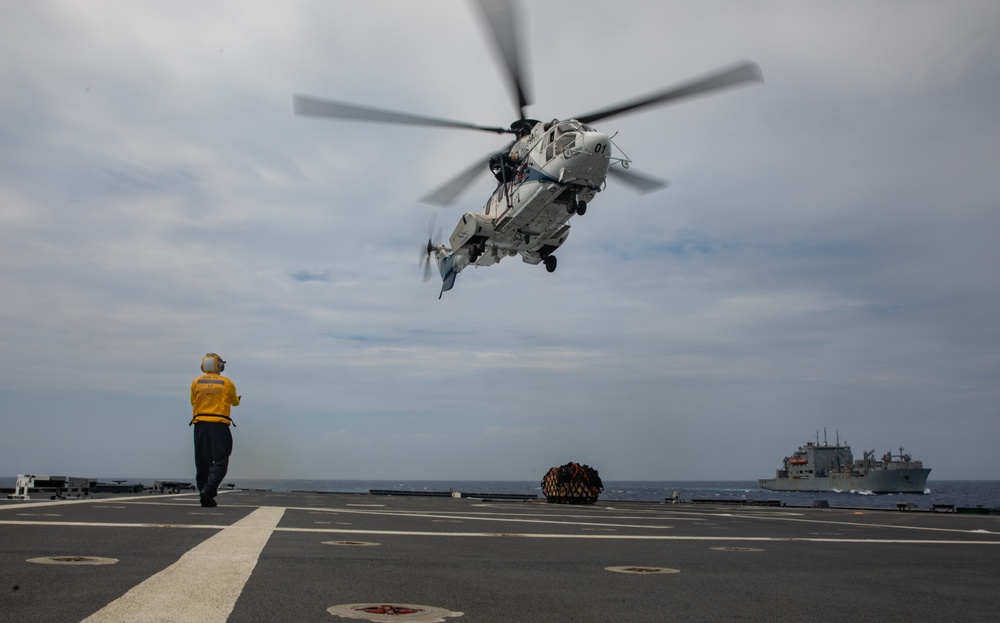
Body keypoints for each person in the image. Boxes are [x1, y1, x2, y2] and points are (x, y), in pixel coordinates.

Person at [190, 353, 241, 507]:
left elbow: (193, 401)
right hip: (219, 426)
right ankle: (209, 489)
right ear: (220, 366)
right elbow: (235, 402)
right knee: (220, 461)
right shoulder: (226, 383)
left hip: (200, 425)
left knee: (202, 462)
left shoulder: (195, 382)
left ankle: (204, 494)